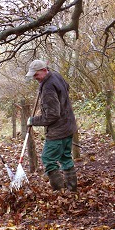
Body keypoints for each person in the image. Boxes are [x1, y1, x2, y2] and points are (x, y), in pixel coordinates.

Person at [25, 59, 79, 192]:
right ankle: (72, 190)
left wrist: (33, 121)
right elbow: (66, 88)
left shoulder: (48, 87)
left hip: (58, 131)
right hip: (69, 125)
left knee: (48, 159)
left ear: (44, 70)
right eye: (33, 75)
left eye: (36, 75)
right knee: (65, 157)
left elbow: (52, 115)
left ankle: (60, 191)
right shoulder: (56, 76)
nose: (35, 78)